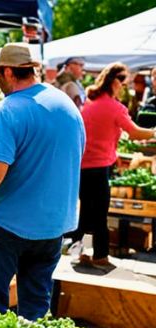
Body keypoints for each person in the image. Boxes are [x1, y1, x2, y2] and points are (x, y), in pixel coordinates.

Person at [0, 44, 85, 320]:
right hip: (53, 226)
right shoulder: (66, 104)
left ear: (6, 71)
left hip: (7, 224)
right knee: (36, 309)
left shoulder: (6, 110)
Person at [69, 63, 155, 267]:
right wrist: (153, 132)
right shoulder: (114, 107)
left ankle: (76, 250)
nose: (124, 88)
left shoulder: (90, 103)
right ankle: (100, 255)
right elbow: (134, 132)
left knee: (85, 210)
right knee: (99, 212)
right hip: (98, 167)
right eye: (123, 83)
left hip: (82, 165)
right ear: (115, 82)